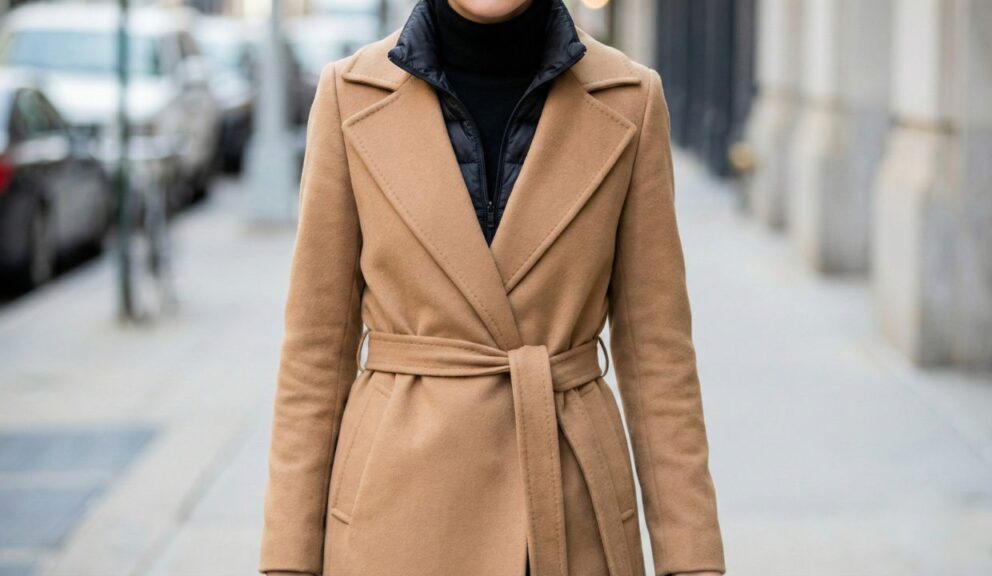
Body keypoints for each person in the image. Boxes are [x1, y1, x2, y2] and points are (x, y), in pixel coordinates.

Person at [259, 1, 726, 575]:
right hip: (394, 514)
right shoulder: (348, 94)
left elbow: (660, 360)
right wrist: (288, 559)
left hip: (568, 507)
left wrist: (692, 560)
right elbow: (314, 354)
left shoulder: (630, 98)